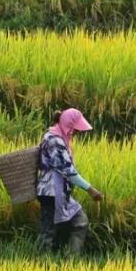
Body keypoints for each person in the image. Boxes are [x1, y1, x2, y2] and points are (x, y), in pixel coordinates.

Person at [36, 107, 103, 257]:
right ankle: (40, 265)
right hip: (50, 192)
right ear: (68, 126)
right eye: (75, 129)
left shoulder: (60, 138)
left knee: (80, 222)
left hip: (61, 192)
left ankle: (72, 261)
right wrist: (91, 190)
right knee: (48, 232)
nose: (76, 132)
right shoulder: (54, 141)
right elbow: (68, 171)